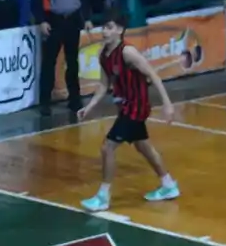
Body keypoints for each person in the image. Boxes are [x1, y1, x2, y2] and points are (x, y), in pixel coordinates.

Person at [75, 11, 179, 212]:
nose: (105, 31)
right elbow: (104, 85)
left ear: (120, 30)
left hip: (136, 107)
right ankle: (168, 185)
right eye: (104, 27)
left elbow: (153, 75)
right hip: (124, 106)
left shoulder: (128, 53)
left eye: (110, 27)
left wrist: (168, 104)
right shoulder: (103, 54)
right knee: (143, 146)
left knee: (107, 147)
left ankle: (103, 196)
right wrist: (89, 107)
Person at [33, 0, 89, 115]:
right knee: (49, 62)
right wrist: (42, 20)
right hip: (54, 19)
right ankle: (45, 102)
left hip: (72, 18)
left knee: (72, 61)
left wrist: (87, 18)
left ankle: (75, 99)